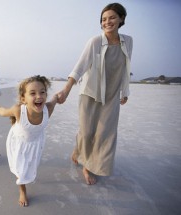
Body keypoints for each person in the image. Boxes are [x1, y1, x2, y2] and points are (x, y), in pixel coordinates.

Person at [56, 3, 133, 185]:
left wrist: (125, 90)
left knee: (104, 133)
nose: (107, 22)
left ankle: (88, 165)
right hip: (90, 94)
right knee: (87, 131)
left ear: (121, 19)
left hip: (112, 95)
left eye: (112, 17)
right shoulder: (95, 42)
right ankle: (81, 155)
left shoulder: (128, 41)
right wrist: (66, 90)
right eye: (104, 19)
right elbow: (80, 67)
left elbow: (126, 67)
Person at [0, 75, 57, 207]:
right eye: (33, 93)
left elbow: (55, 100)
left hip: (35, 143)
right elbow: (4, 112)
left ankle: (24, 179)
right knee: (20, 169)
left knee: (31, 164)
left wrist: (58, 97)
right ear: (24, 99)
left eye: (42, 92)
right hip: (19, 143)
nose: (39, 96)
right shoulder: (18, 110)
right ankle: (22, 190)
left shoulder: (48, 109)